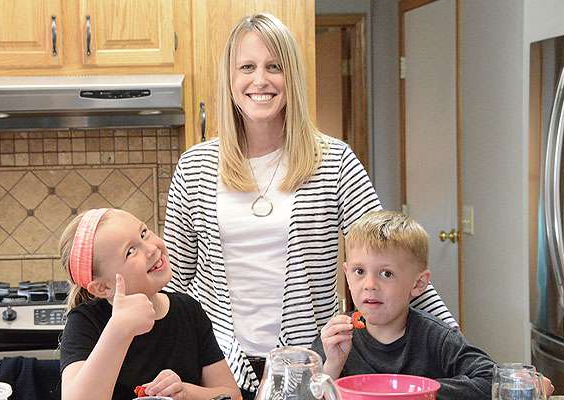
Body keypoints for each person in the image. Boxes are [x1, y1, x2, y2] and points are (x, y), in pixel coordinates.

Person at [163, 13, 458, 398]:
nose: (260, 80)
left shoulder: (334, 162)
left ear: (292, 79)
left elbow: (394, 261)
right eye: (247, 67)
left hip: (310, 369)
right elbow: (175, 285)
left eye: (274, 67)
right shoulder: (196, 166)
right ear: (230, 79)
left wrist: (459, 350)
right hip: (215, 370)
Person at [58, 208, 241, 400]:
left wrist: (185, 392)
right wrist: (119, 329)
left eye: (144, 233)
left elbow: (232, 395)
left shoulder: (188, 309)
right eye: (130, 252)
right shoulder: (85, 321)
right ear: (103, 288)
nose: (151, 248)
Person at [311, 210, 495, 399]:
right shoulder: (334, 339)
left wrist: (418, 392)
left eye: (386, 274)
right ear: (347, 274)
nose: (369, 285)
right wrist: (333, 366)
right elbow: (299, 392)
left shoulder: (437, 338)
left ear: (418, 284)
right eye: (359, 271)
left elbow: (490, 379)